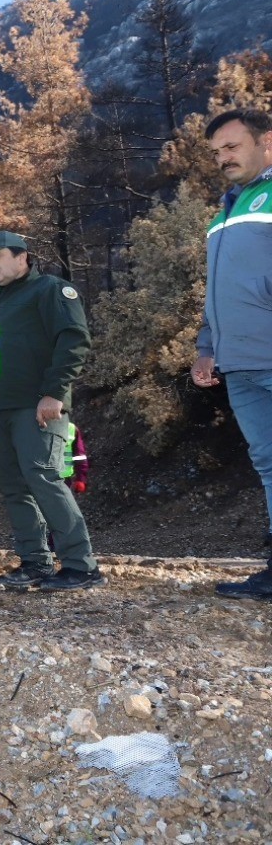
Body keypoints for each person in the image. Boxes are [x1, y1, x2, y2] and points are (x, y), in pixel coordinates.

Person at [0, 231, 104, 591]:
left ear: (23, 257)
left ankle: (81, 565)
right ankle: (35, 562)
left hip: (36, 405)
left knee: (44, 477)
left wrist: (54, 393)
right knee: (13, 486)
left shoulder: (50, 289)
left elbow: (74, 339)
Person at [193, 109, 272, 601]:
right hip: (240, 365)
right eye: (217, 152)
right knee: (267, 464)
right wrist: (206, 348)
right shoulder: (224, 212)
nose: (223, 158)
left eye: (232, 146)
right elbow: (217, 293)